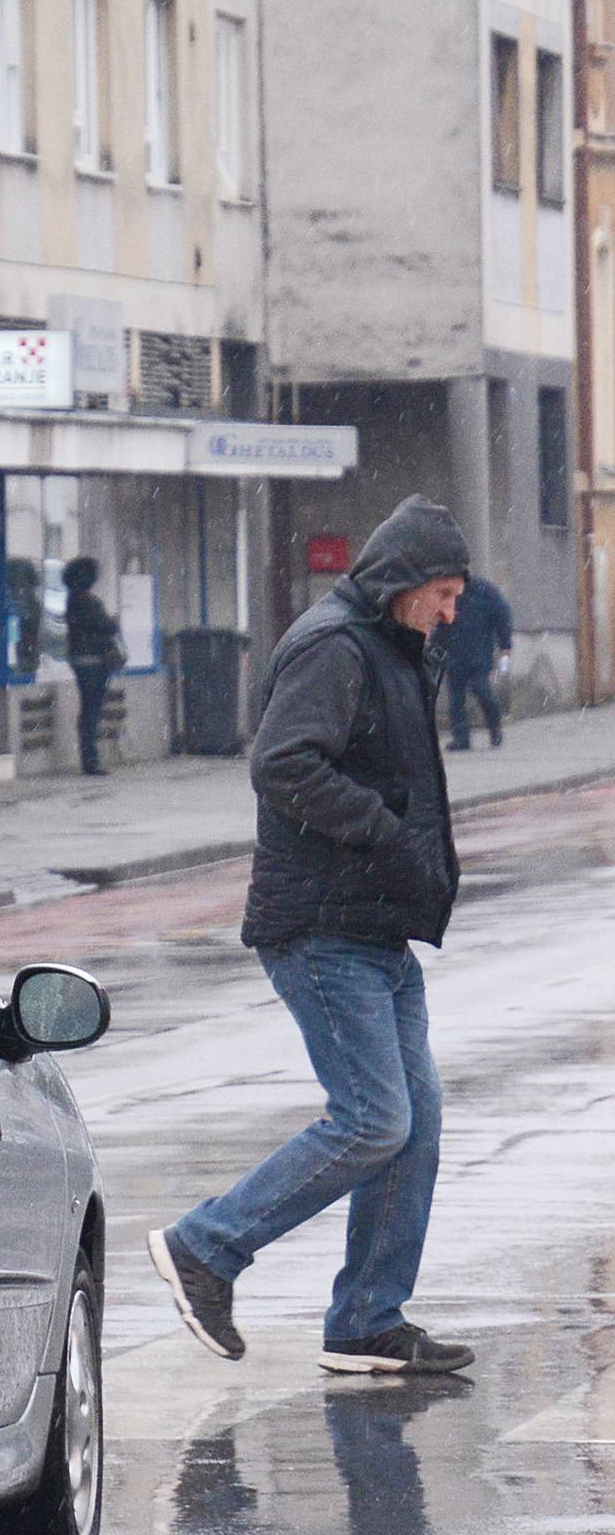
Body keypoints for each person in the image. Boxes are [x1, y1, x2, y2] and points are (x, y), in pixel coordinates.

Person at [148, 494, 476, 1377]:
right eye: (444, 593)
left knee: (417, 1127)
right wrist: (386, 836)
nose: (452, 612)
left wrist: (409, 860)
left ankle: (367, 1319)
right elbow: (283, 762)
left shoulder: (390, 646)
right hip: (323, 926)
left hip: (376, 930)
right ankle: (206, 1247)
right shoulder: (336, 646)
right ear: (404, 581)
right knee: (374, 1121)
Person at [63, 556, 121, 777]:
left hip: (79, 660)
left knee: (88, 708)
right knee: (92, 710)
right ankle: (90, 760)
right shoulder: (90, 602)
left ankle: (89, 757)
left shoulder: (71, 600)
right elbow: (105, 628)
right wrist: (113, 622)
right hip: (94, 661)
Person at [443, 569, 513, 751]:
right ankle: (461, 739)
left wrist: (505, 645)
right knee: (456, 700)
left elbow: (502, 615)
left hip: (479, 654)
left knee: (482, 691)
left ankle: (494, 728)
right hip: (454, 654)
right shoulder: (448, 592)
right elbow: (440, 620)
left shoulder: (484, 590)